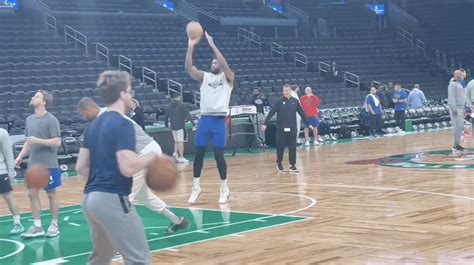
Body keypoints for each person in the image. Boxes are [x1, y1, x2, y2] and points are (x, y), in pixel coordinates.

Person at [76, 71, 157, 264]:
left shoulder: (92, 126)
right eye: (129, 91)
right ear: (122, 94)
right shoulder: (123, 124)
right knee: (139, 259)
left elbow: (80, 167)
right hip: (112, 197)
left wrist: (101, 177)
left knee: (101, 258)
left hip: (89, 199)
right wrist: (153, 158)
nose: (131, 95)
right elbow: (128, 167)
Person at [78, 97, 189, 235]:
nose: (83, 118)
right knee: (145, 196)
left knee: (123, 197)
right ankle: (177, 220)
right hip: (147, 150)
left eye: (83, 114)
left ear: (88, 109)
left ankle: (119, 240)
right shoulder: (108, 115)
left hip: (144, 153)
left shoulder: (106, 119)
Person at [185, 31, 234, 204]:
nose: (214, 63)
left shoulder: (228, 78)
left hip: (219, 120)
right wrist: (190, 46)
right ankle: (196, 187)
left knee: (219, 155)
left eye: (216, 61)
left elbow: (225, 64)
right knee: (198, 154)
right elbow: (189, 69)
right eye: (212, 61)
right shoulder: (204, 77)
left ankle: (224, 189)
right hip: (205, 119)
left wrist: (213, 45)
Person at [15, 90, 61, 238]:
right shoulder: (29, 119)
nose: (32, 97)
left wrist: (39, 141)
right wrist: (20, 157)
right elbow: (29, 142)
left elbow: (57, 142)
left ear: (43, 102)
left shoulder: (51, 119)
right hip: (33, 165)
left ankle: (54, 225)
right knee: (31, 193)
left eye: (36, 96)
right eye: (33, 95)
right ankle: (37, 226)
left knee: (51, 194)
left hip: (49, 164)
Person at [263, 84, 313, 173]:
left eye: (287, 91)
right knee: (280, 146)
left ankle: (292, 165)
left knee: (292, 147)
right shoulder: (278, 102)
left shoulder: (295, 101)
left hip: (292, 127)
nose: (286, 92)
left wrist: (308, 124)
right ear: (283, 91)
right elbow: (271, 113)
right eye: (284, 91)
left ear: (291, 91)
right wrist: (265, 123)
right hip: (281, 128)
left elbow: (302, 113)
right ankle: (279, 163)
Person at [0, 128, 24, 235]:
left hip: (1, 171)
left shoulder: (2, 133)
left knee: (8, 196)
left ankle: (17, 223)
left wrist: (11, 171)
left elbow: (8, 153)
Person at [164, 95, 195, 163]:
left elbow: (166, 117)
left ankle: (175, 154)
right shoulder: (182, 105)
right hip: (180, 126)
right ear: (178, 97)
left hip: (173, 126)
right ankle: (181, 157)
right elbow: (188, 114)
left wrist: (166, 125)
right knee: (180, 142)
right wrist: (193, 123)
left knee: (176, 141)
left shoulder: (168, 106)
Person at [448, 70, 467, 151]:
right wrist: (453, 108)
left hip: (461, 108)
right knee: (457, 127)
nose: (462, 76)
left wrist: (464, 108)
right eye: (461, 75)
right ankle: (456, 145)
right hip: (456, 108)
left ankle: (457, 144)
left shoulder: (458, 84)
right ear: (456, 75)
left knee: (460, 126)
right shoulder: (452, 84)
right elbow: (451, 97)